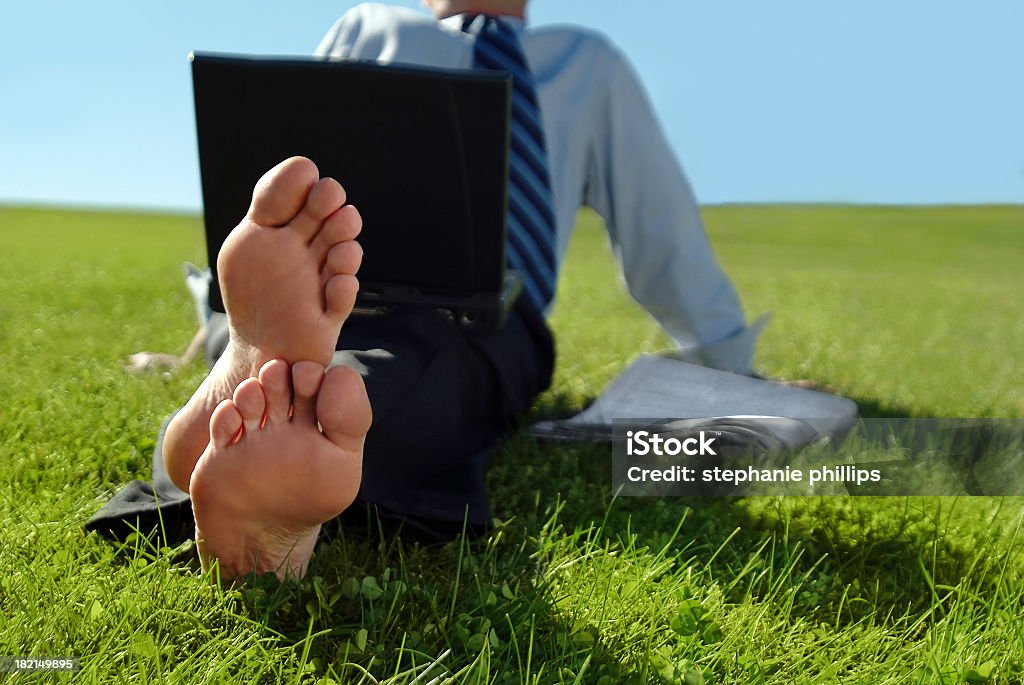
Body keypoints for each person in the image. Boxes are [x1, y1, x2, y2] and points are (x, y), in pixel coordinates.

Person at [88, 0, 762, 581]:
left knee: (387, 377)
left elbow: (659, 230)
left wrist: (733, 368)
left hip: (478, 309)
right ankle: (252, 385)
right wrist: (223, 327)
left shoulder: (589, 65)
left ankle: (244, 424)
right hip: (337, 283)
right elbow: (283, 228)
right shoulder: (369, 26)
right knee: (363, 373)